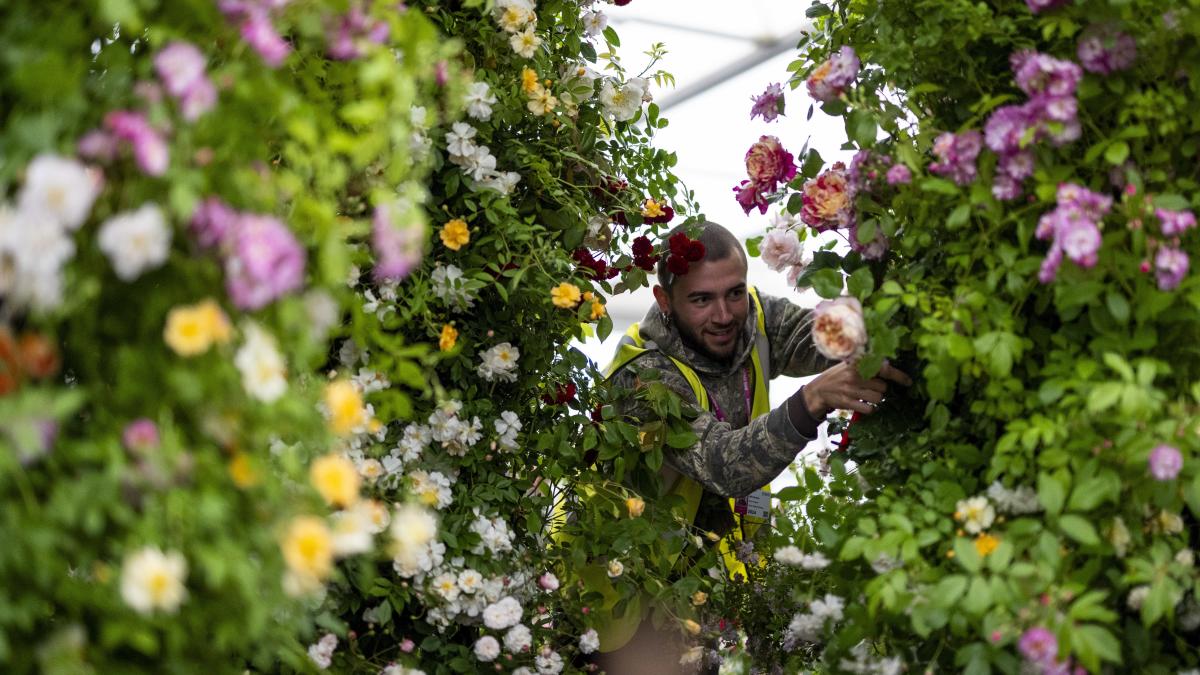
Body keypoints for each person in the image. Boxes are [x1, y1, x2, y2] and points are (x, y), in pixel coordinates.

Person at [594, 221, 911, 674]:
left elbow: (812, 338)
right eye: (701, 299)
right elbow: (726, 465)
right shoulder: (643, 376)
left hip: (700, 589)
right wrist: (814, 400)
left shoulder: (754, 319)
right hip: (626, 597)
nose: (724, 315)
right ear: (665, 301)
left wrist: (871, 327)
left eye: (734, 293)